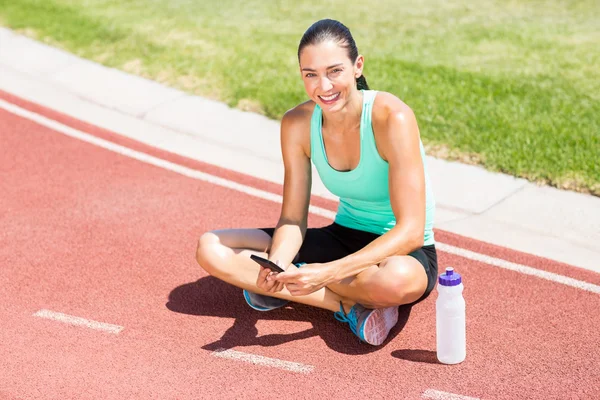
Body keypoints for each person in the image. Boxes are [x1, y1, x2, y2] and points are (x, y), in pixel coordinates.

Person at [195, 18, 437, 346]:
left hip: (401, 250)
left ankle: (299, 285)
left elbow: (410, 230)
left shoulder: (392, 118)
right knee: (210, 248)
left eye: (334, 71)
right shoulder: (297, 124)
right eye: (310, 74)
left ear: (357, 66)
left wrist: (326, 273)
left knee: (397, 281)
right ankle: (347, 305)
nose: (323, 86)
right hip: (344, 235)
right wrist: (278, 261)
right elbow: (294, 218)